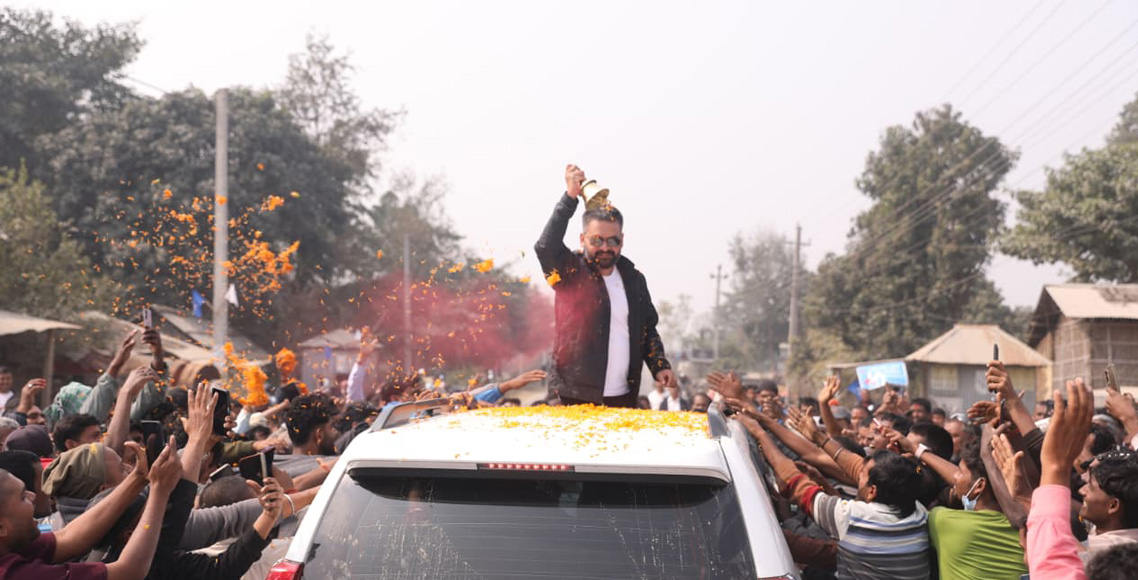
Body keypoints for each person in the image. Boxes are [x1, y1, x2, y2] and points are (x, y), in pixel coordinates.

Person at [534, 164, 675, 407]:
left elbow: (647, 329)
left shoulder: (634, 280)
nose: (605, 248)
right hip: (573, 396)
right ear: (583, 239)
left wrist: (659, 364)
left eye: (613, 241)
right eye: (597, 240)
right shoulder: (569, 273)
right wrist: (569, 197)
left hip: (623, 397)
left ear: (622, 240)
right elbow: (545, 247)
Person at [739, 414, 930, 579]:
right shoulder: (919, 513)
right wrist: (823, 480)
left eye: (861, 476)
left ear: (872, 491)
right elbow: (851, 469)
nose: (856, 475)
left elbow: (793, 480)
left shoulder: (853, 518)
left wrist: (760, 434)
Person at [0, 437, 182, 580]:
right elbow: (128, 571)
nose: (33, 496)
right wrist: (160, 491)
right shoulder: (16, 575)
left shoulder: (13, 543)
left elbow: (68, 538)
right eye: (22, 497)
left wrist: (139, 478)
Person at [1078, 450, 1138, 564]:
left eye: (1090, 487)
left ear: (1113, 505)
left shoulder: (1111, 560)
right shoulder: (1109, 524)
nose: (1081, 490)